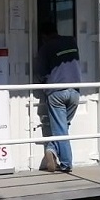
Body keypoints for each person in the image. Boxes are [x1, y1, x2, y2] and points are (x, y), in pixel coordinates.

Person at [36, 22, 82, 173]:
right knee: (63, 126)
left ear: (44, 36)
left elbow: (41, 73)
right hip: (75, 91)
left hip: (57, 92)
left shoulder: (45, 48)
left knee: (60, 129)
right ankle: (52, 149)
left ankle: (66, 163)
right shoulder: (71, 41)